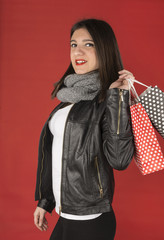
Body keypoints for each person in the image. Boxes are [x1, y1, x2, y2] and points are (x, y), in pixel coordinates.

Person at [33, 18, 135, 240]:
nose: (77, 51)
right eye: (73, 44)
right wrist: (46, 201)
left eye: (88, 44)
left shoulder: (109, 99)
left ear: (104, 49)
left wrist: (117, 98)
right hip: (65, 213)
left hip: (91, 217)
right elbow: (57, 154)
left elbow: (119, 160)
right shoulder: (69, 97)